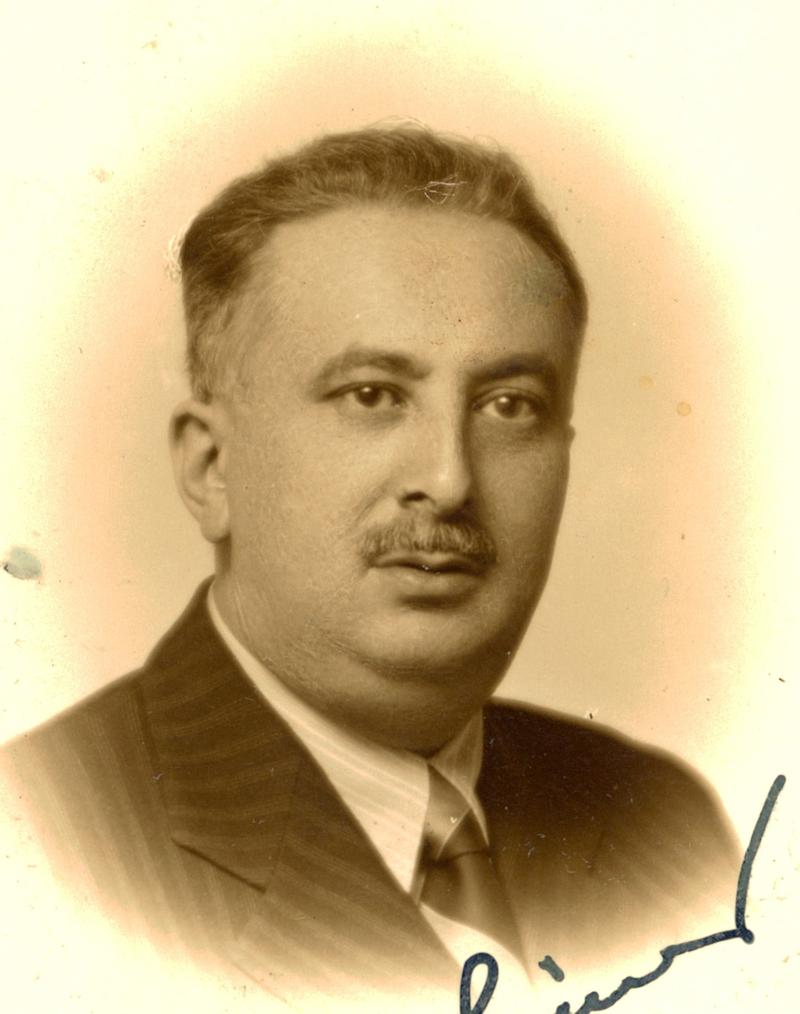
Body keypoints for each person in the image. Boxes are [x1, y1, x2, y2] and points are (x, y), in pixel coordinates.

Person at [1, 126, 739, 1011]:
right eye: (373, 395)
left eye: (509, 405)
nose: (449, 480)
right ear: (211, 469)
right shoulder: (39, 847)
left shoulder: (666, 829)